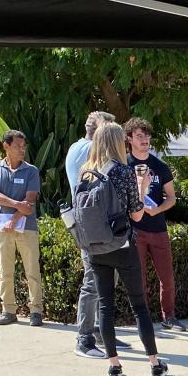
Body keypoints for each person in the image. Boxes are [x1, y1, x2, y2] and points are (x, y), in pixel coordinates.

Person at [76, 121, 169, 376]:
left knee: (106, 305)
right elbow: (137, 214)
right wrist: (141, 185)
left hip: (95, 248)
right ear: (118, 142)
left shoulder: (86, 171)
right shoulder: (123, 172)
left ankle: (114, 365)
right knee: (139, 306)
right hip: (122, 245)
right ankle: (154, 363)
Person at [124, 117, 183, 331]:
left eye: (147, 135)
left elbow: (172, 197)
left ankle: (170, 316)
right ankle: (143, 319)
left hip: (158, 228)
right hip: (135, 229)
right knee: (139, 279)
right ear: (129, 138)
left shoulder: (159, 166)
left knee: (166, 278)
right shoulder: (124, 165)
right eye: (140, 136)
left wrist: (158, 209)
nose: (145, 140)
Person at [66, 109, 115, 359]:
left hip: (89, 222)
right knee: (93, 280)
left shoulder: (76, 147)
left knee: (100, 278)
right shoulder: (90, 153)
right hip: (93, 224)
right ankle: (84, 338)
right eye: (109, 131)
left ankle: (96, 332)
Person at [0, 129, 44, 327]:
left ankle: (36, 311)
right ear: (6, 146)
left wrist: (16, 216)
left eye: (23, 146)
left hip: (27, 228)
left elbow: (30, 201)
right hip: (2, 229)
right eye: (18, 146)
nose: (22, 150)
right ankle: (8, 310)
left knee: (32, 271)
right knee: (6, 271)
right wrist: (17, 205)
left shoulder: (31, 170)